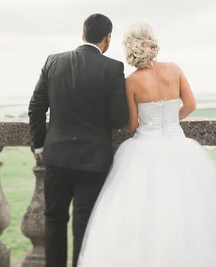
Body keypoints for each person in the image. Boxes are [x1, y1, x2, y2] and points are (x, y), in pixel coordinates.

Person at [77, 23, 216, 267]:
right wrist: (169, 123)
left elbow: (133, 124)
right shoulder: (174, 70)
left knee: (144, 217)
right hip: (179, 145)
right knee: (192, 215)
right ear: (152, 43)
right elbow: (190, 105)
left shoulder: (131, 82)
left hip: (143, 148)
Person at [28, 13, 129, 267]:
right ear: (107, 39)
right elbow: (119, 119)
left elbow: (36, 107)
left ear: (82, 35)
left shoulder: (53, 62)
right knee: (85, 224)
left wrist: (39, 145)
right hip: (93, 160)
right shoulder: (113, 68)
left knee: (54, 220)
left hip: (56, 156)